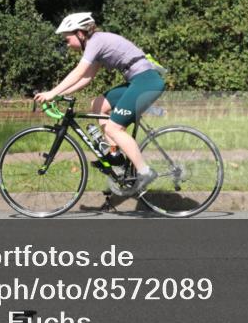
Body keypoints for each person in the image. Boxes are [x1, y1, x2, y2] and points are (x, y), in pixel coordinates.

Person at [34, 12, 166, 196]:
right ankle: (115, 155)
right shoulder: (94, 44)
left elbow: (79, 73)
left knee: (113, 129)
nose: (67, 44)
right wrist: (59, 95)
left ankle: (145, 171)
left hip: (146, 81)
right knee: (98, 105)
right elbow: (87, 78)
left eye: (67, 39)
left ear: (80, 33)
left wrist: (52, 93)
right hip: (138, 81)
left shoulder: (96, 41)